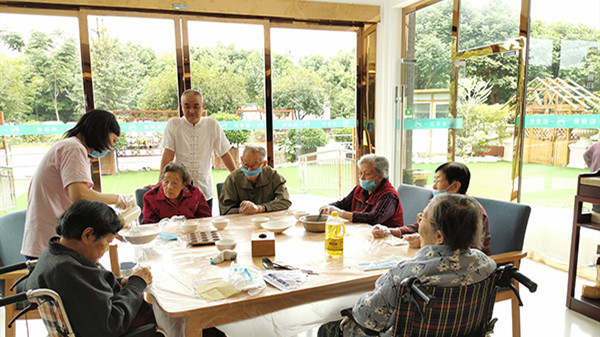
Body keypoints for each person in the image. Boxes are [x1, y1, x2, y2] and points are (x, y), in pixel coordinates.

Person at [318, 194, 497, 337]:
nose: (418, 223)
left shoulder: (405, 274)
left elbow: (367, 317)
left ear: (439, 236)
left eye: (423, 219)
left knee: (328, 329)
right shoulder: (487, 266)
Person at [26, 200, 159, 337]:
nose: (107, 248)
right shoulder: (69, 271)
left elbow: (90, 289)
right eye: (108, 241)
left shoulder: (54, 253)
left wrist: (120, 281)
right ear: (88, 235)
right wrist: (136, 283)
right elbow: (110, 325)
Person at [21, 110, 136, 259]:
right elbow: (80, 195)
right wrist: (118, 199)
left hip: (52, 240)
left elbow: (83, 204)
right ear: (101, 132)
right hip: (52, 244)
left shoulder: (69, 147)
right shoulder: (73, 148)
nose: (110, 149)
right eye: (112, 141)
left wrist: (110, 226)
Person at [373, 162, 491, 255]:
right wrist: (393, 231)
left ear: (455, 186)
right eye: (434, 182)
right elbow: (420, 225)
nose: (433, 187)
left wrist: (425, 243)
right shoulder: (440, 205)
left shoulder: (470, 212)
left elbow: (468, 250)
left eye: (438, 182)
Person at [153, 89, 236, 211]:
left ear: (202, 106)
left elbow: (224, 153)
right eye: (187, 106)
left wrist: (237, 177)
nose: (191, 111)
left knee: (205, 226)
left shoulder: (212, 125)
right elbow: (168, 155)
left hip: (204, 189)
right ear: (181, 107)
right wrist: (160, 181)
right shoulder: (174, 124)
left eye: (196, 106)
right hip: (179, 190)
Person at [319, 154, 403, 227]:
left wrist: (341, 213)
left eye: (367, 174)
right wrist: (328, 207)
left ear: (380, 176)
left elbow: (374, 218)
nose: (361, 178)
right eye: (360, 173)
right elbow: (343, 204)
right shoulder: (359, 189)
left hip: (388, 239)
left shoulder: (389, 196)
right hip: (364, 234)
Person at [219, 145, 292, 215]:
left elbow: (285, 201)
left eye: (254, 166)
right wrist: (242, 210)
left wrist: (260, 208)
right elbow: (225, 210)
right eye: (246, 165)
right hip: (241, 223)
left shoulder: (273, 176)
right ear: (241, 160)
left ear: (264, 164)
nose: (249, 170)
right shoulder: (232, 179)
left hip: (268, 222)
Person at [142, 162, 211, 224]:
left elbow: (206, 219)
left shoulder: (195, 194)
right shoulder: (150, 198)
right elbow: (148, 226)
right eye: (166, 182)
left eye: (175, 183)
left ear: (183, 184)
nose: (169, 187)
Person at [583, 141, 600, 212]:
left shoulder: (596, 145)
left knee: (596, 199)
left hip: (594, 176)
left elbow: (585, 155)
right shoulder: (596, 145)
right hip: (596, 176)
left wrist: (591, 166)